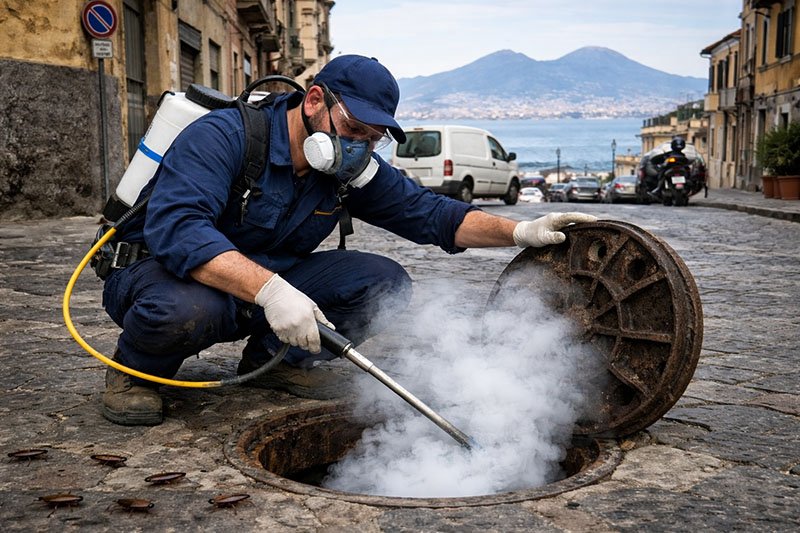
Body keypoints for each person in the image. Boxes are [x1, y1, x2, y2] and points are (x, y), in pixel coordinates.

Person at [100, 54, 596, 426]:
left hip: (270, 283)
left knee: (383, 282)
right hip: (167, 277)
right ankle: (135, 370)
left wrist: (519, 231)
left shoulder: (345, 166)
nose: (360, 145)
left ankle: (278, 364)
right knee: (186, 310)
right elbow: (180, 230)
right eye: (353, 128)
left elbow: (429, 214)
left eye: (374, 137)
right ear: (314, 100)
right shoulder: (224, 137)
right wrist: (273, 292)